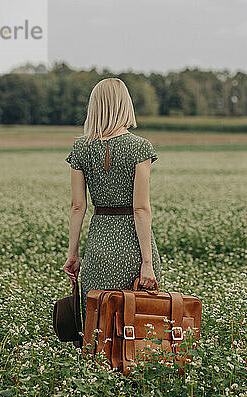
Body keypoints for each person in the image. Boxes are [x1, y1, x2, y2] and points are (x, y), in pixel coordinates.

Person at [61, 77, 161, 322]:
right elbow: (140, 208)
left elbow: (77, 207)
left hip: (97, 248)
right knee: (139, 325)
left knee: (97, 324)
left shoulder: (81, 148)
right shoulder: (140, 148)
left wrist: (73, 255)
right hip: (133, 249)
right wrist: (146, 262)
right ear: (125, 105)